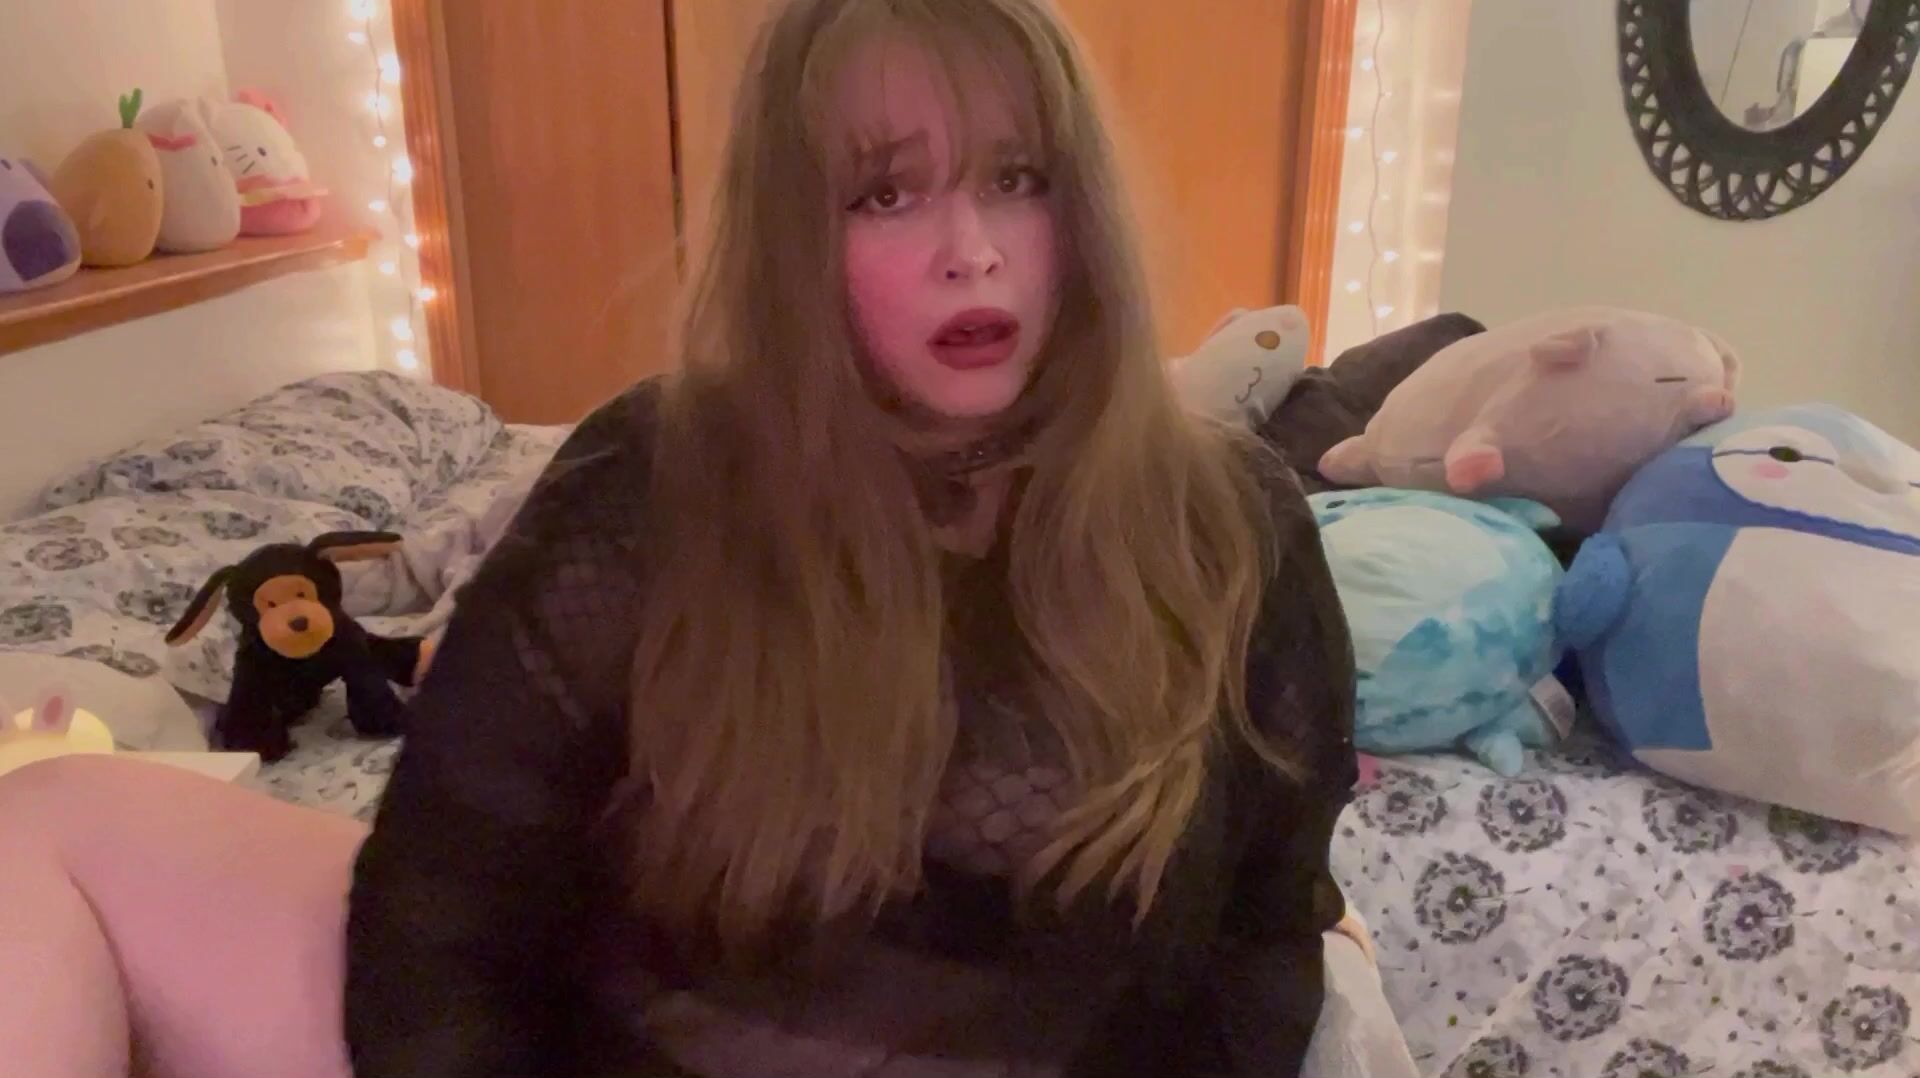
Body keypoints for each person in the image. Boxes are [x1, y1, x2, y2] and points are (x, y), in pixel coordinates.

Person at [0, 1, 1386, 1075]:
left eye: (1017, 178)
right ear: (795, 239)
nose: (970, 249)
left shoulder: (1229, 529)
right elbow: (441, 922)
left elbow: (1264, 945)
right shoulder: (654, 487)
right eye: (886, 194)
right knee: (47, 816)